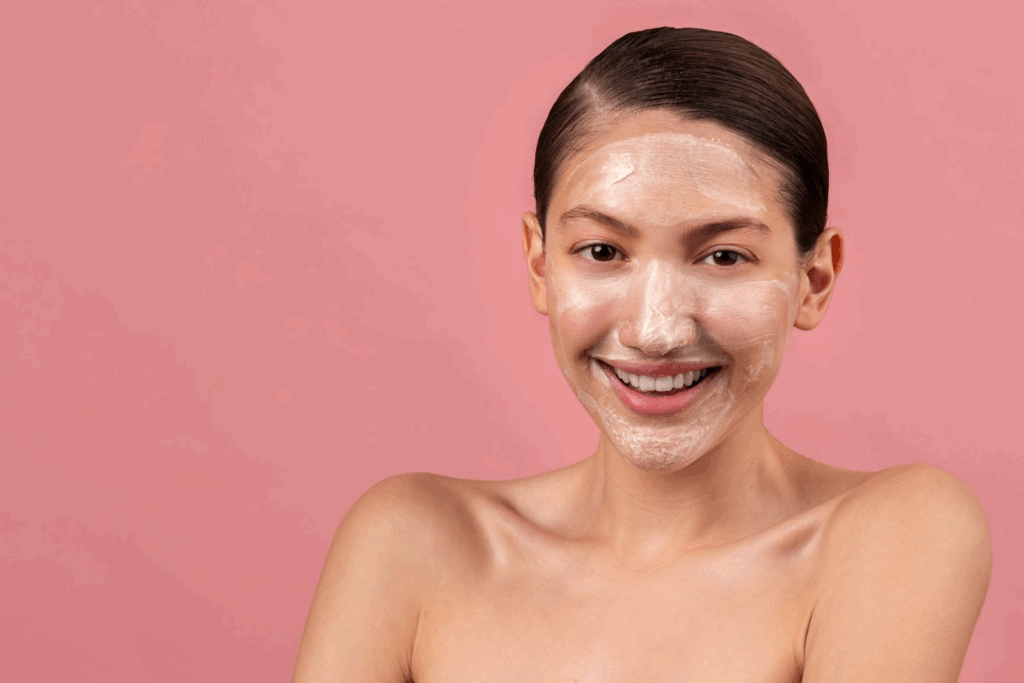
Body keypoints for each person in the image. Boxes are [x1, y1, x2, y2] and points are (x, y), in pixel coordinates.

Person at [292, 27, 991, 682]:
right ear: (541, 266)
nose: (656, 330)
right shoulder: (408, 543)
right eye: (602, 251)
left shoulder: (893, 533)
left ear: (814, 279)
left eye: (724, 255)